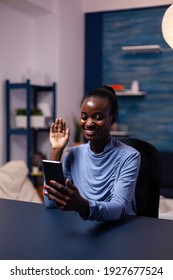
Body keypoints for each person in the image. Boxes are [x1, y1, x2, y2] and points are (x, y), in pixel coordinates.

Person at [43, 85, 141, 221]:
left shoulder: (130, 156)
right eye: (84, 117)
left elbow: (118, 208)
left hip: (119, 230)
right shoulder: (73, 154)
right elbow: (51, 203)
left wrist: (83, 206)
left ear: (112, 119)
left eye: (98, 117)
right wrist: (55, 151)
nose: (88, 123)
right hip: (84, 230)